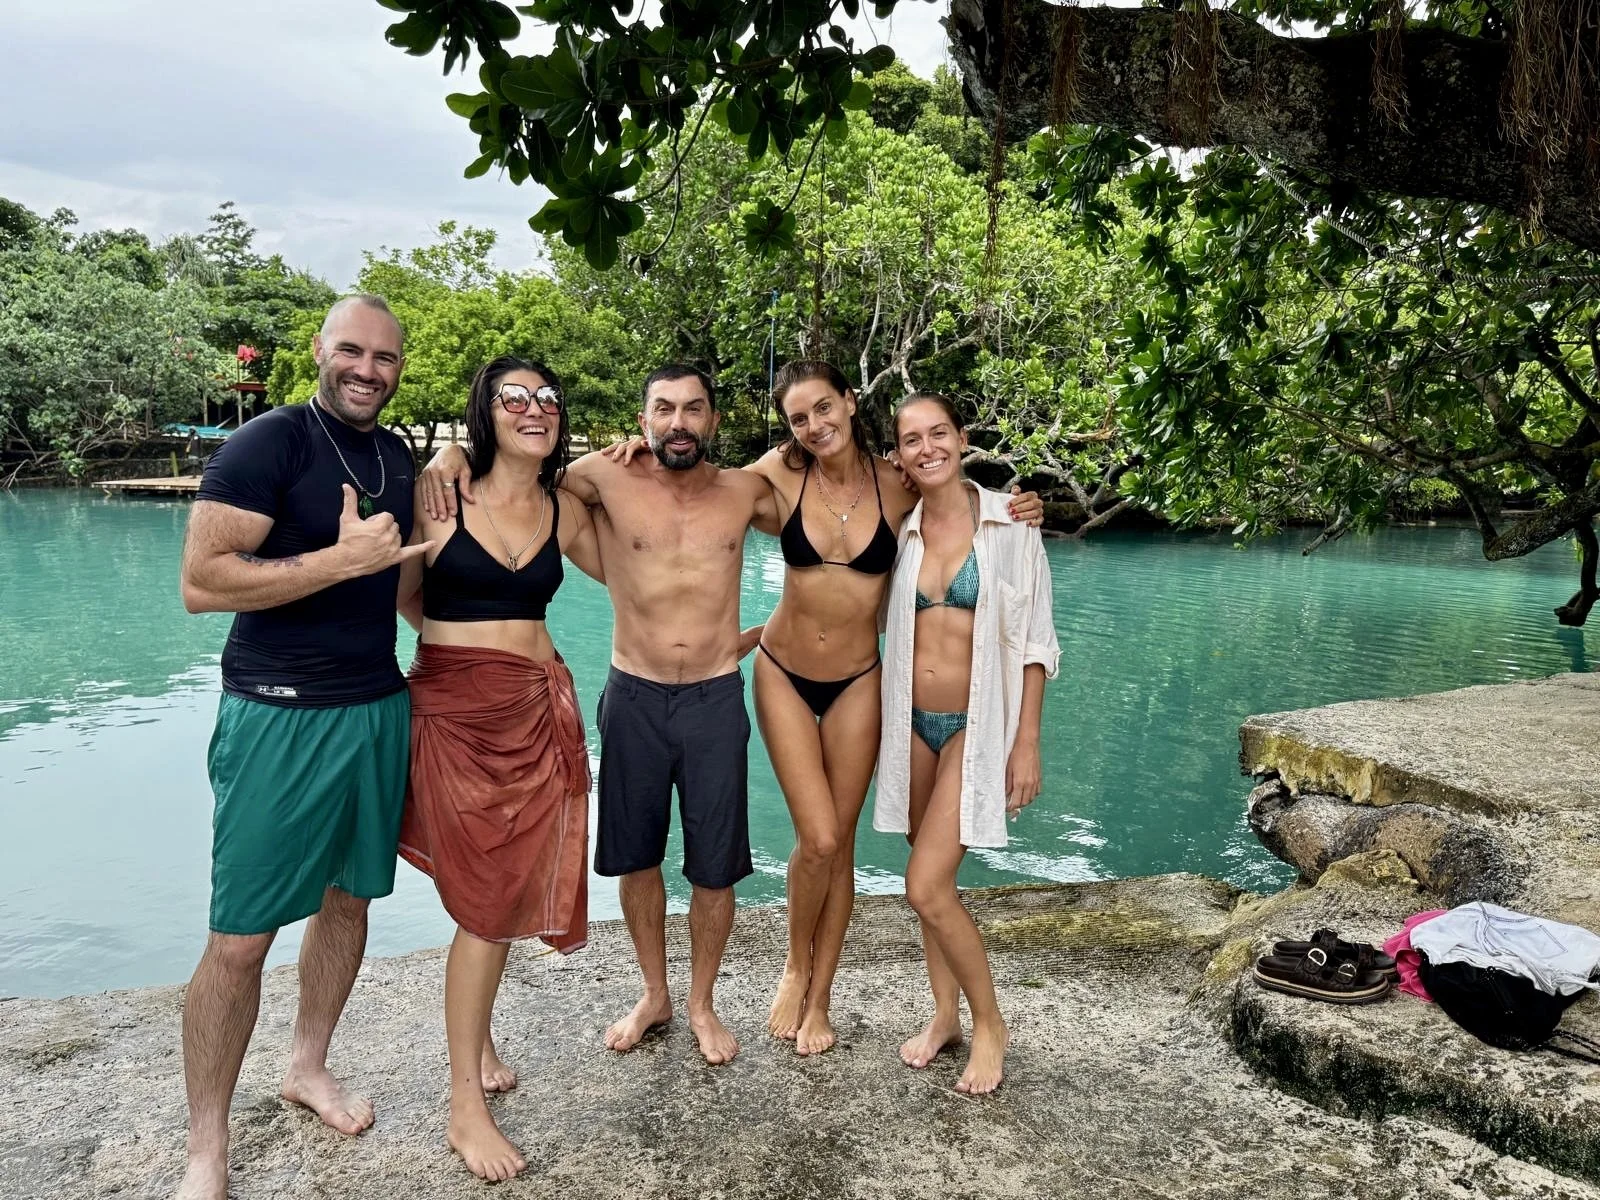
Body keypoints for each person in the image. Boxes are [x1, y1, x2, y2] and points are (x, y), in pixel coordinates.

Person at [603, 361, 1041, 1056]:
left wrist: (1018, 507)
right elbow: (694, 484)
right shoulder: (776, 477)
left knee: (837, 844)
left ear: (849, 401)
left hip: (860, 679)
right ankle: (794, 964)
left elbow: (961, 509)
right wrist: (629, 456)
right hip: (781, 670)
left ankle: (821, 995)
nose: (814, 425)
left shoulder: (897, 486)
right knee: (820, 838)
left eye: (823, 409)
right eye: (798, 419)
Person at [419, 364, 779, 1066]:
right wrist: (451, 452)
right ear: (641, 419)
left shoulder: (744, 492)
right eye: (664, 409)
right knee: (634, 856)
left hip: (713, 695)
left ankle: (702, 1002)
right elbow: (518, 477)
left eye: (694, 409)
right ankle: (655, 993)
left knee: (715, 868)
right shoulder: (601, 479)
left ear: (714, 420)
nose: (679, 422)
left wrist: (773, 632)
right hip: (634, 692)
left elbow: (829, 528)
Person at [175, 295, 431, 1200]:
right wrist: (338, 562)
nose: (367, 369)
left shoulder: (396, 457)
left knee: (348, 904)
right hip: (276, 712)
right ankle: (207, 1145)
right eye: (352, 351)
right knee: (240, 941)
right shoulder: (269, 444)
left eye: (385, 358)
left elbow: (404, 590)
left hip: (374, 708)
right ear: (321, 352)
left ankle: (307, 1066)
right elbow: (203, 584)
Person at [395, 357, 605, 1182]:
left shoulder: (564, 508)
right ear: (484, 411)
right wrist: (464, 651)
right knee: (486, 901)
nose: (534, 408)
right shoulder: (440, 491)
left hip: (538, 706)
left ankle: (479, 1046)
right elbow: (407, 598)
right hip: (455, 714)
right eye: (513, 397)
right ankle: (462, 1107)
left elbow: (647, 565)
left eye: (548, 397)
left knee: (508, 884)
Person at [874, 391, 1059, 1095]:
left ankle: (991, 1024)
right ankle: (945, 1014)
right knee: (935, 886)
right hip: (911, 725)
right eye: (911, 439)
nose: (928, 448)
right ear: (897, 454)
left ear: (962, 437)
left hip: (977, 728)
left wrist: (1027, 743)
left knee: (923, 885)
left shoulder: (1012, 522)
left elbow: (1038, 642)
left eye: (939, 433)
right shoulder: (901, 528)